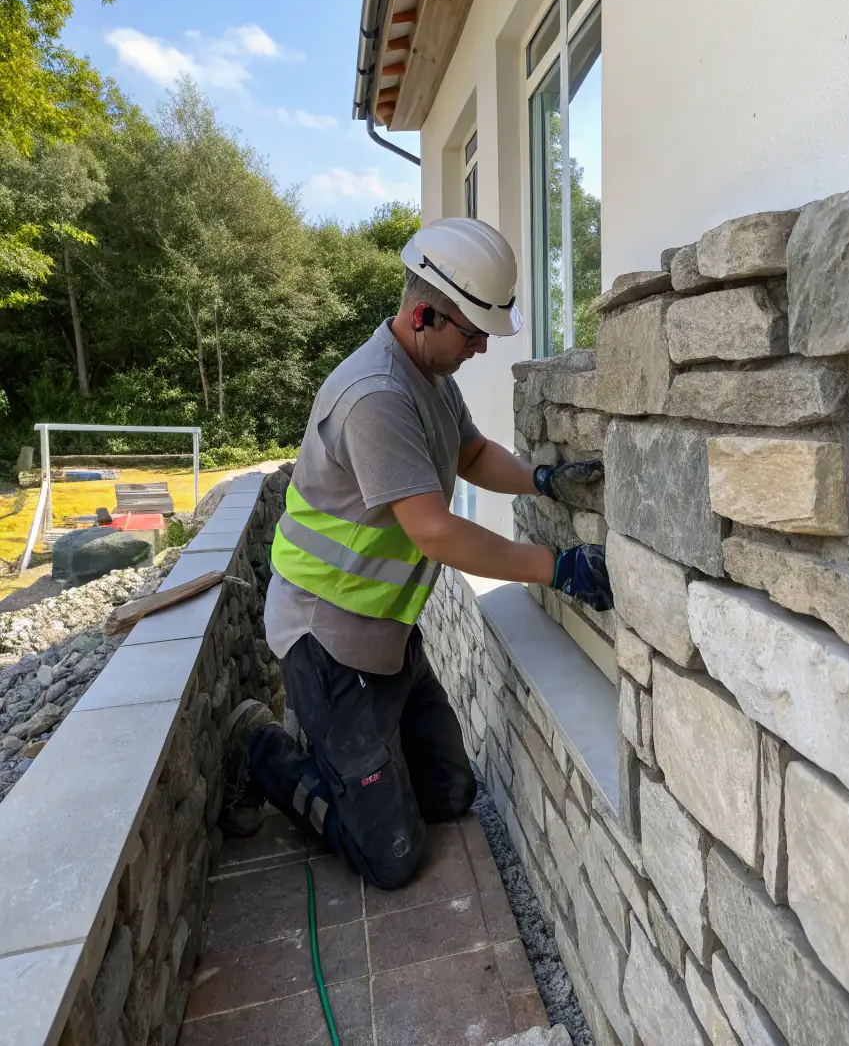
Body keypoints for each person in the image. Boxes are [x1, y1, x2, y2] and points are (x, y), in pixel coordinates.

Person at [222, 217, 612, 888]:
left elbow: (472, 453)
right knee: (393, 855)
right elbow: (435, 531)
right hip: (328, 640)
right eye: (472, 331)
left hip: (390, 638)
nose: (483, 346)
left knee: (451, 795)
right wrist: (560, 567)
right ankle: (259, 748)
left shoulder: (431, 377)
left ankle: (368, 761)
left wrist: (540, 476)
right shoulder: (377, 398)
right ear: (424, 312)